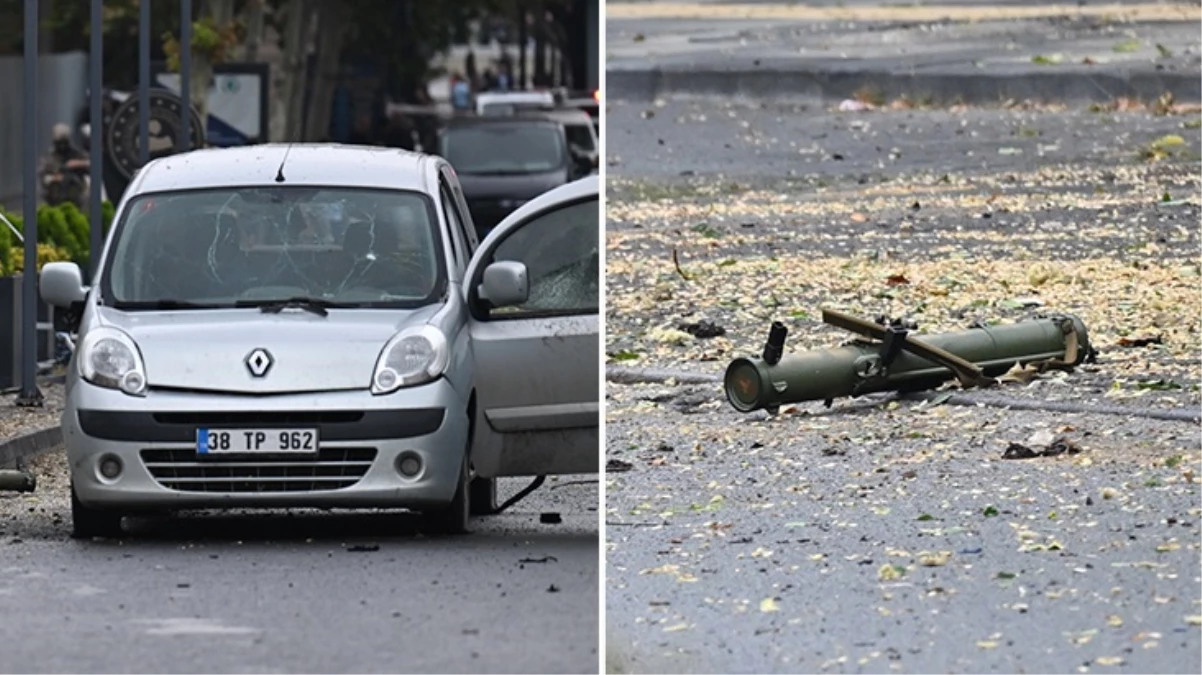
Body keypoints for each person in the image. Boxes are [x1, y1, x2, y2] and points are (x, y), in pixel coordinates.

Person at [39, 123, 90, 208]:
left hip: (74, 196)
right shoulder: (50, 158)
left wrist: (76, 164)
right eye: (59, 141)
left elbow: (90, 164)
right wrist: (56, 178)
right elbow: (43, 177)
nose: (62, 146)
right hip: (55, 198)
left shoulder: (76, 154)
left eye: (64, 141)